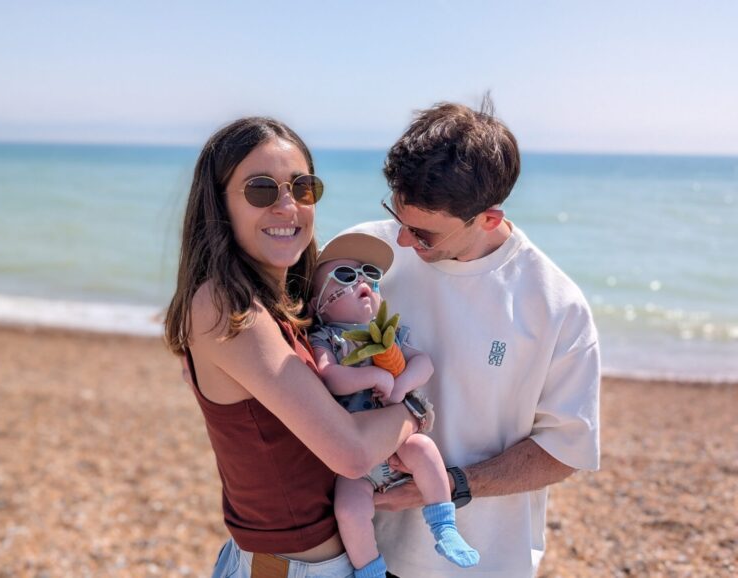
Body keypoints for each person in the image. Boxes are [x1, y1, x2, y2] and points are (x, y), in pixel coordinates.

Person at [344, 98, 601, 578]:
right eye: (397, 216)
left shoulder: (555, 305)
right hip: (356, 550)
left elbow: (564, 451)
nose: (403, 241)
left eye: (424, 234)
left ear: (488, 217)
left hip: (478, 562)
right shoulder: (361, 258)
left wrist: (448, 485)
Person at [164, 117, 424, 578]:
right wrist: (414, 412)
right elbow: (352, 453)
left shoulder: (284, 304)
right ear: (219, 205)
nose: (288, 206)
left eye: (302, 188)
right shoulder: (228, 307)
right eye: (261, 190)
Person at [308, 232, 480, 577]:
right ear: (317, 304)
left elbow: (424, 363)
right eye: (344, 275)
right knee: (349, 510)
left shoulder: (387, 335)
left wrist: (401, 385)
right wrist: (371, 378)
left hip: (397, 445)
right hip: (353, 460)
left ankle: (444, 525)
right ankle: (370, 569)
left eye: (370, 275)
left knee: (426, 452)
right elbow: (329, 376)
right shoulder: (327, 337)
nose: (362, 281)